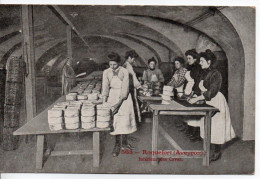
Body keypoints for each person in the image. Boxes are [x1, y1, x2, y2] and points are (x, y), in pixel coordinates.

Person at [188, 49, 236, 161]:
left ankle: (217, 151)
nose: (200, 63)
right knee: (206, 125)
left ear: (209, 62)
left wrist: (197, 99)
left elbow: (211, 92)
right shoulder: (203, 72)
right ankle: (208, 148)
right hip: (207, 101)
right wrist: (194, 96)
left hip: (216, 101)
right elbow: (199, 88)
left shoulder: (216, 74)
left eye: (202, 61)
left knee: (216, 127)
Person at [102, 52, 137, 157]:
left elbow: (125, 89)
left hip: (124, 98)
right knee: (115, 122)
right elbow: (105, 87)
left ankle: (125, 143)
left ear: (119, 63)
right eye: (110, 65)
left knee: (125, 120)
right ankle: (117, 145)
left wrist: (118, 104)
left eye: (114, 65)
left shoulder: (124, 71)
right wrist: (105, 102)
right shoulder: (106, 72)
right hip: (112, 96)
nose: (112, 67)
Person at [183, 49, 204, 142]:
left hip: (196, 92)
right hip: (191, 91)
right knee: (192, 113)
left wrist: (194, 93)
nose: (188, 60)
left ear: (195, 59)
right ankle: (191, 131)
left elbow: (197, 82)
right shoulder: (190, 67)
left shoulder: (198, 69)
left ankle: (197, 134)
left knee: (197, 115)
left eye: (189, 58)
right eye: (187, 58)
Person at [122, 50, 142, 122]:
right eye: (133, 59)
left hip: (126, 88)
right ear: (129, 57)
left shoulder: (124, 64)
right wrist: (140, 87)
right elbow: (133, 78)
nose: (134, 61)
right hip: (130, 89)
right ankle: (136, 121)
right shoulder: (128, 66)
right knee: (133, 104)